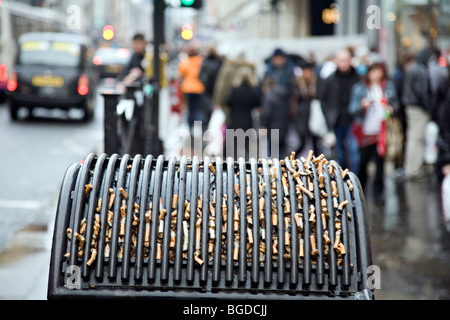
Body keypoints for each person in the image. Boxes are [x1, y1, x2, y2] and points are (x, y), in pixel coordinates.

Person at [349, 63, 398, 203]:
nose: (376, 75)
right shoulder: (360, 88)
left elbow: (395, 104)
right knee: (363, 162)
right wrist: (362, 105)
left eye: (378, 72)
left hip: (382, 130)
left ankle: (378, 192)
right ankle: (359, 191)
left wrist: (391, 109)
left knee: (380, 163)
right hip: (365, 130)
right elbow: (352, 108)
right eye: (373, 72)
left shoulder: (388, 87)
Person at [320, 49, 361, 174]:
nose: (344, 63)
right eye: (341, 60)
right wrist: (328, 117)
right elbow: (323, 100)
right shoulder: (330, 79)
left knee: (354, 151)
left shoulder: (357, 78)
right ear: (336, 62)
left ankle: (354, 179)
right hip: (337, 120)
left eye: (346, 60)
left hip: (353, 119)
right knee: (339, 153)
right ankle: (342, 178)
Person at [401, 48, 435, 181]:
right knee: (417, 138)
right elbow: (422, 92)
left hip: (411, 107)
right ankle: (414, 170)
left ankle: (411, 168)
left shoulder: (414, 68)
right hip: (418, 108)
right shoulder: (420, 70)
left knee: (413, 138)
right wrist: (428, 108)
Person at [225, 66, 261, 159]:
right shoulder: (253, 91)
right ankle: (245, 161)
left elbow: (228, 102)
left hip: (235, 118)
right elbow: (257, 104)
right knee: (246, 141)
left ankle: (234, 161)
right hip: (247, 119)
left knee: (235, 141)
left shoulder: (235, 90)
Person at [260, 77, 291, 158]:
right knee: (282, 152)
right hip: (284, 127)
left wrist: (263, 125)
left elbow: (267, 113)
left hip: (272, 128)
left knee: (272, 154)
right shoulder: (285, 95)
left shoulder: (269, 97)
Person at [294, 62, 322, 155]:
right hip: (301, 116)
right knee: (302, 142)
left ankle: (318, 165)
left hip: (314, 115)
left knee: (316, 143)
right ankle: (290, 160)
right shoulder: (297, 83)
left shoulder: (316, 82)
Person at [177, 46, 206, 132]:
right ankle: (198, 127)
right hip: (199, 88)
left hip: (187, 88)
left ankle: (190, 127)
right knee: (198, 108)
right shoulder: (201, 61)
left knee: (190, 109)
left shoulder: (185, 62)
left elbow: (180, 75)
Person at [199, 47, 223, 121]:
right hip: (216, 88)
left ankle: (206, 125)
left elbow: (200, 76)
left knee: (206, 110)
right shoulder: (219, 63)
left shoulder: (205, 62)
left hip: (206, 89)